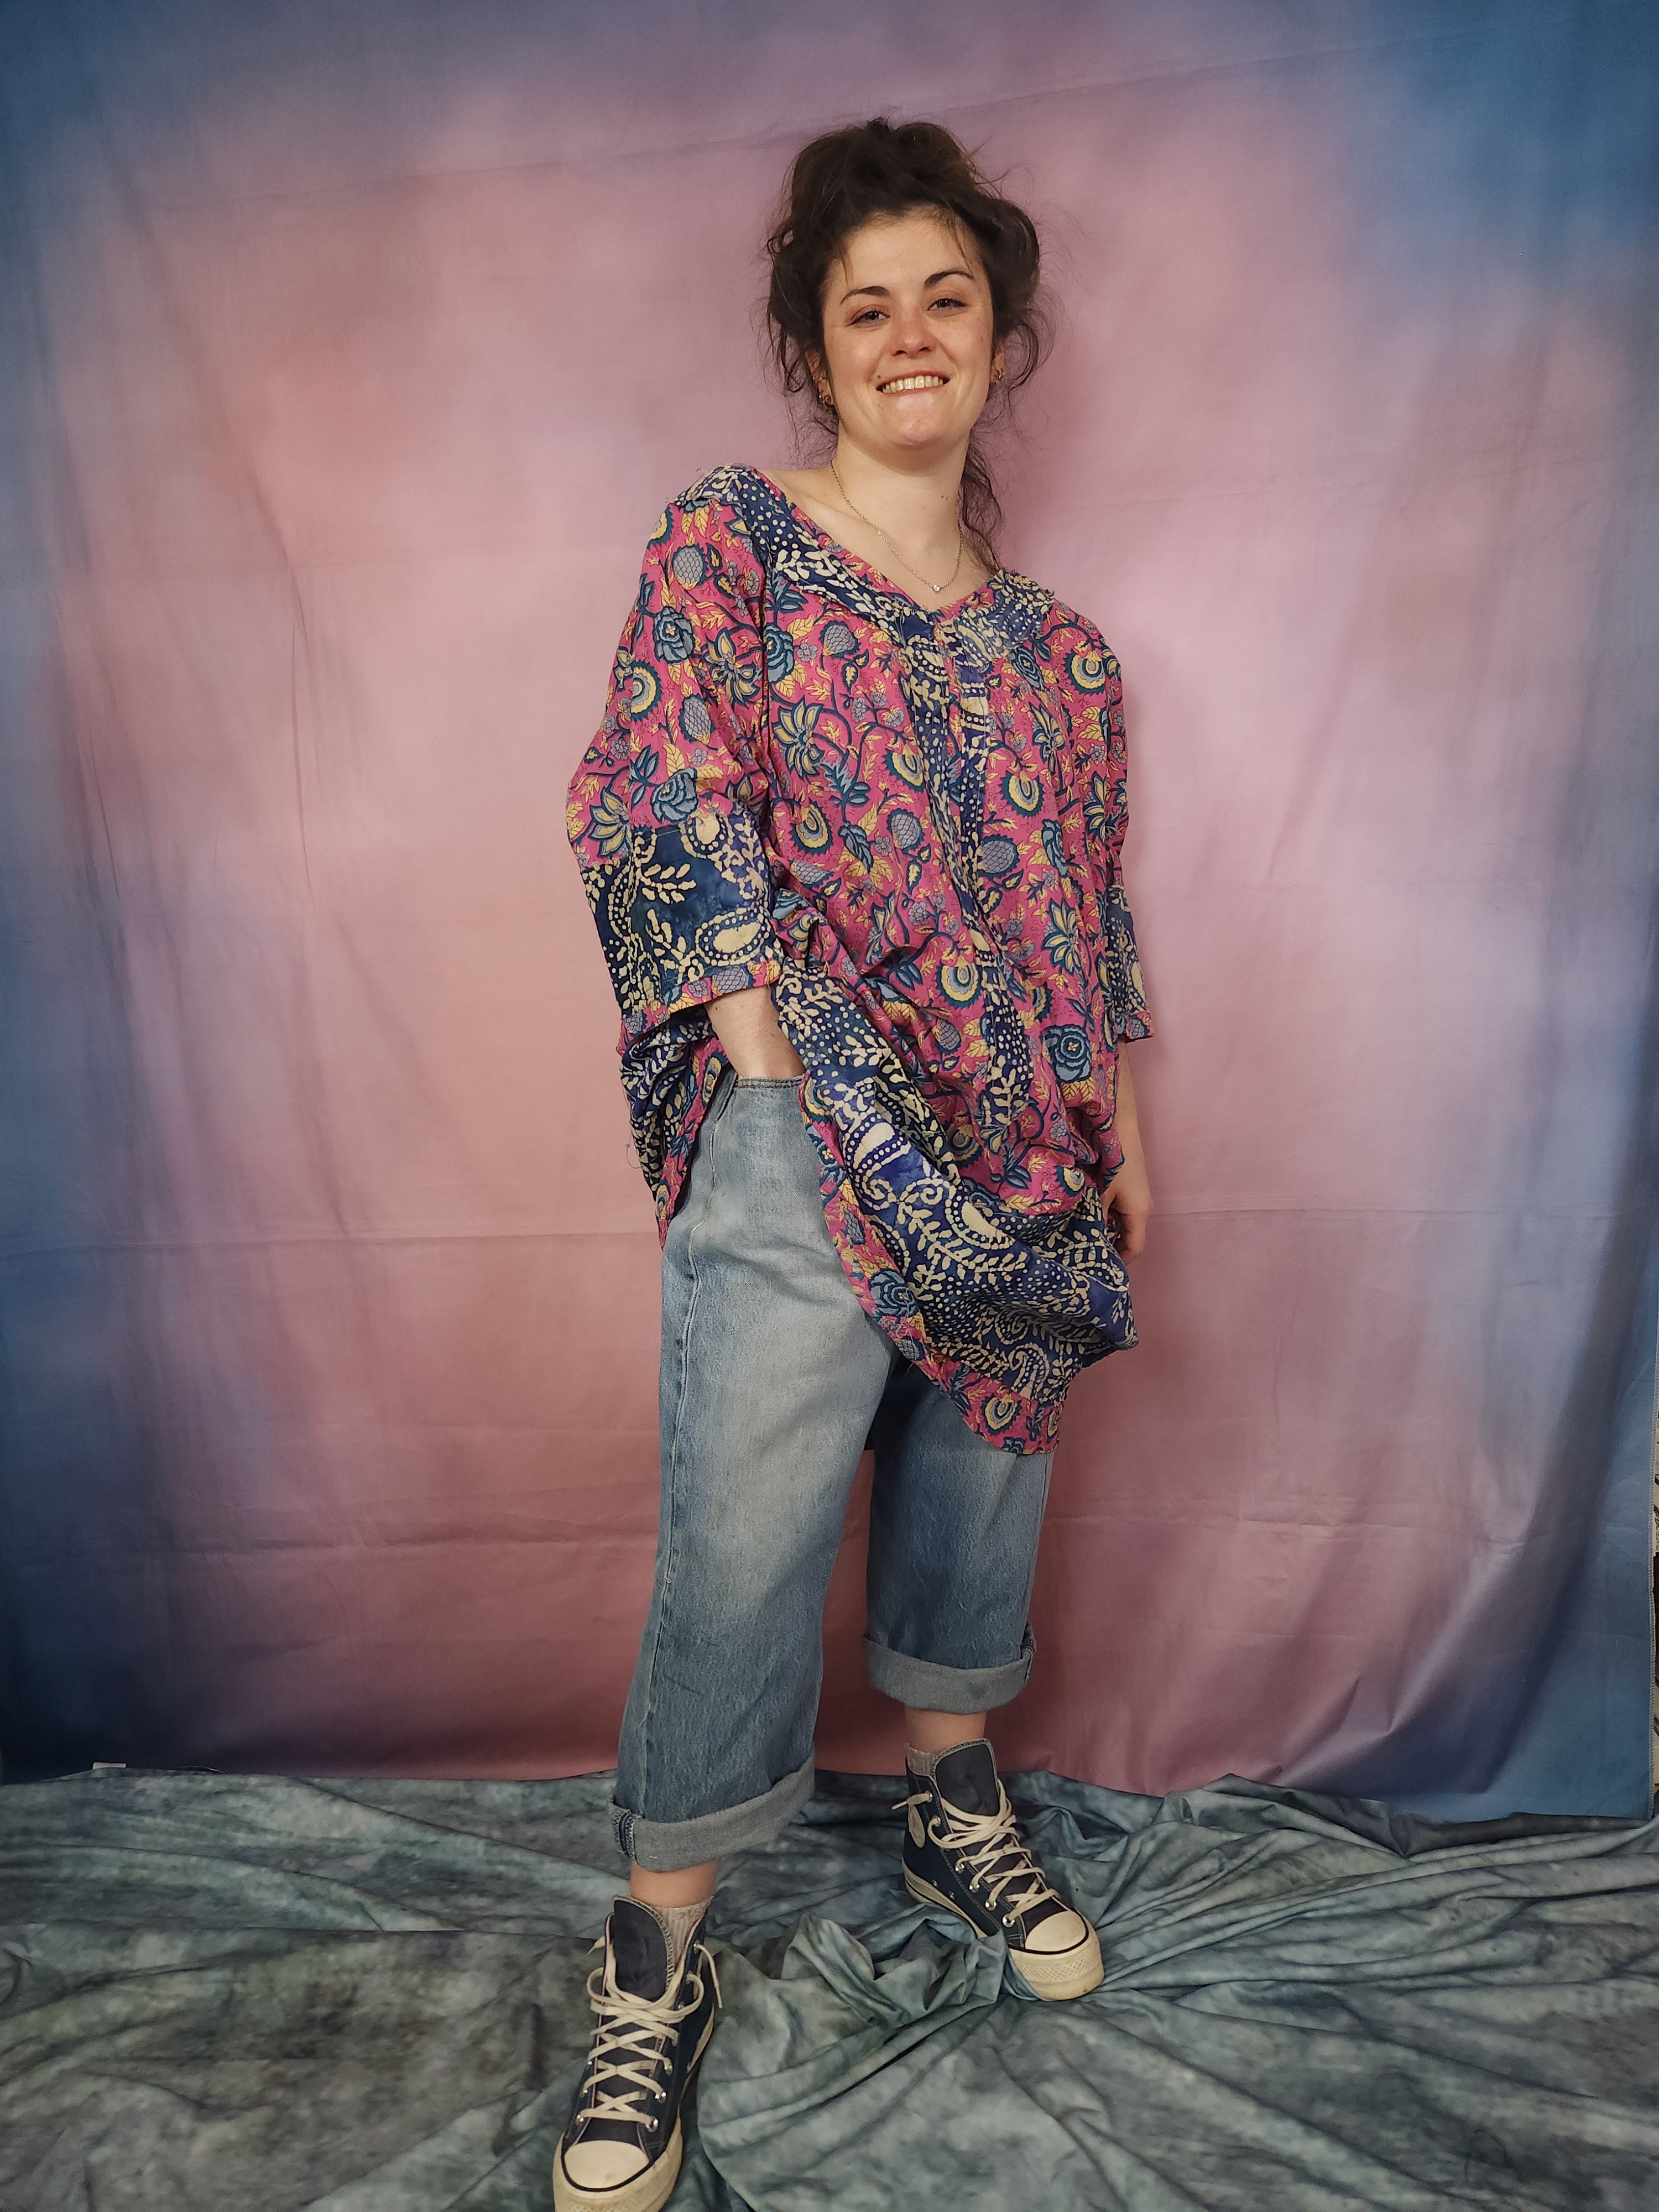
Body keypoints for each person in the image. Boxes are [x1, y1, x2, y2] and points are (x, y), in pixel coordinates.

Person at [555, 116, 1153, 2212]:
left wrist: (1122, 1129)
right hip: (804, 1129)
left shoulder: (1066, 655)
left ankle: (951, 1803)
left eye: (947, 300)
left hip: (1026, 1146)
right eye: (867, 306)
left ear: (1000, 336)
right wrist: (769, 1069)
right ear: (816, 350)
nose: (913, 337)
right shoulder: (730, 540)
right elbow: (654, 790)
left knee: (983, 1492)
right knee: (742, 1537)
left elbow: (1091, 910)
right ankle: (659, 1955)